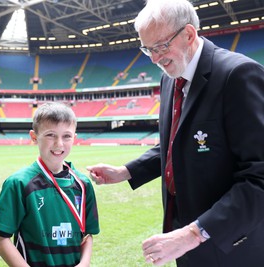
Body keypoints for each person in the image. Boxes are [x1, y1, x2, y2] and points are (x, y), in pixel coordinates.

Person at [87, 0, 264, 266]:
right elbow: (175, 142)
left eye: (160, 46)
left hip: (232, 245)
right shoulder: (170, 78)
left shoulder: (237, 75)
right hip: (184, 237)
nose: (155, 59)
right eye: (147, 50)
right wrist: (126, 171)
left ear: (189, 34)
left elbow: (259, 177)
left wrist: (195, 233)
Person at [0, 102, 100, 266]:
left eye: (66, 136)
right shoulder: (18, 183)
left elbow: (88, 234)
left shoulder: (83, 184)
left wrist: (84, 263)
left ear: (74, 138)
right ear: (34, 137)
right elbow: (1, 239)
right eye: (50, 135)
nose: (59, 143)